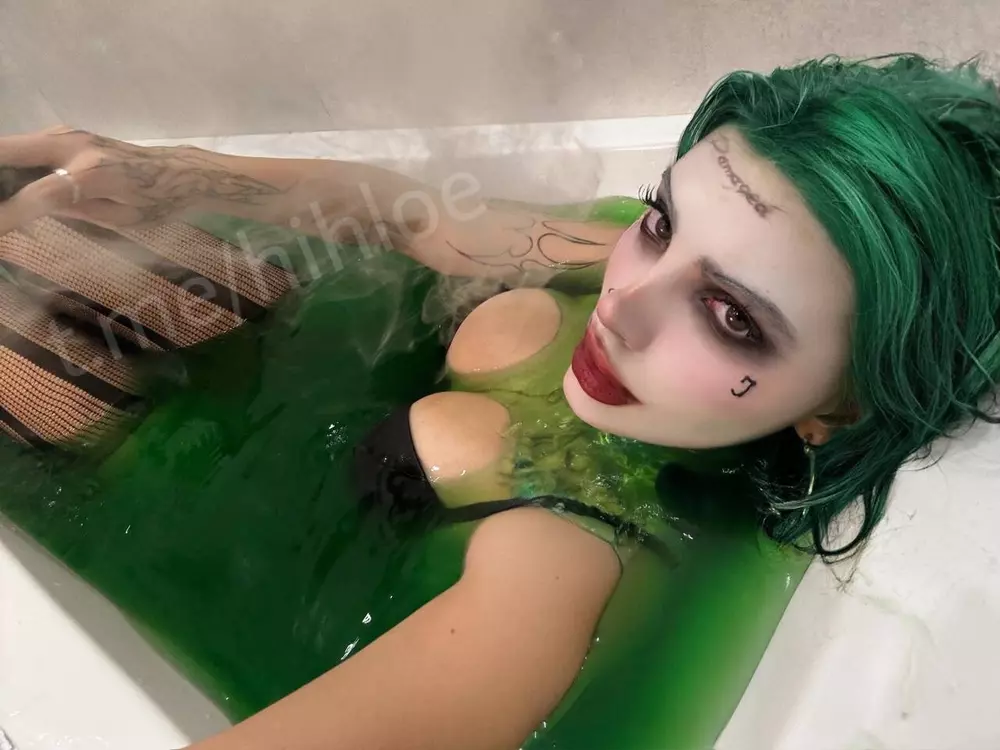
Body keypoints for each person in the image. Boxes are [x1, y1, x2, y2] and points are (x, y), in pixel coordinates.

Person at [1, 53, 998, 749]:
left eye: (731, 316)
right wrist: (161, 173)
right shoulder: (606, 268)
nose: (624, 301)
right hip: (245, 398)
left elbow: (485, 668)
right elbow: (417, 219)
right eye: (661, 222)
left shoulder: (569, 561)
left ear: (841, 408)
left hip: (146, 489)